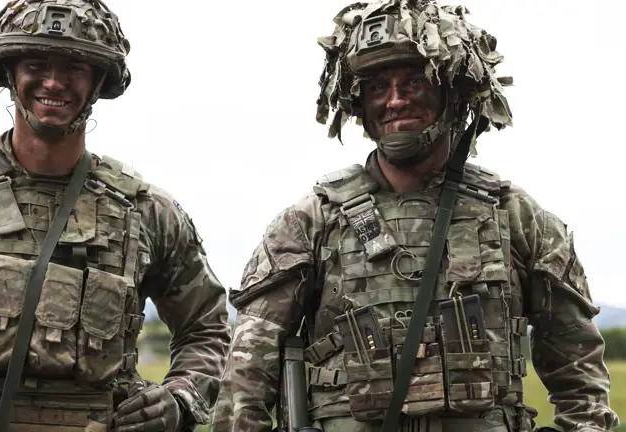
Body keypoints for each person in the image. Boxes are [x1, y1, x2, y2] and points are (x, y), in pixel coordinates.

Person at [212, 1, 618, 431]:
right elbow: (245, 381)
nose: (395, 101)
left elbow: (580, 376)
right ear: (359, 104)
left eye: (415, 83)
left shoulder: (516, 216)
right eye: (376, 88)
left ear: (452, 95)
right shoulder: (310, 221)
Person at [0, 1, 231, 431]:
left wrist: (180, 399)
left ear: (97, 80)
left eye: (74, 67)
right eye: (36, 63)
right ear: (11, 73)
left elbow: (208, 327)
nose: (54, 82)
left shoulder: (148, 214)